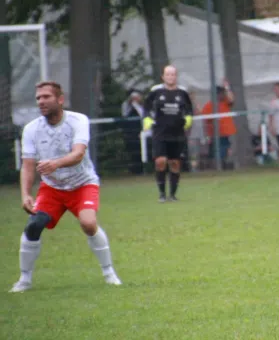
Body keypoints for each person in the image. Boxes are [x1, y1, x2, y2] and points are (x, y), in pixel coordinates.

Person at [10, 81, 122, 293]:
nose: (41, 102)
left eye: (46, 97)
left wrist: (55, 163)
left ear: (60, 100)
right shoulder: (31, 129)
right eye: (38, 98)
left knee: (88, 223)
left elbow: (78, 154)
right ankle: (24, 280)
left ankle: (109, 273)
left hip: (83, 184)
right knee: (33, 225)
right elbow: (27, 166)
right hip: (52, 189)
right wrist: (25, 194)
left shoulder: (78, 120)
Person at [143, 65, 193, 202]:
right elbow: (146, 107)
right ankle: (162, 194)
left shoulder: (182, 93)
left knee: (175, 163)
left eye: (173, 74)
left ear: (176, 76)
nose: (170, 77)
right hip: (160, 132)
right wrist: (147, 119)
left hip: (177, 133)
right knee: (161, 161)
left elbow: (189, 109)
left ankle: (172, 195)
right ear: (163, 76)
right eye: (168, 74)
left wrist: (188, 119)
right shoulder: (156, 91)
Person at [200, 80, 236, 169]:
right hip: (215, 135)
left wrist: (227, 87)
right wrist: (207, 136)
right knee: (215, 154)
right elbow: (205, 122)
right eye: (221, 93)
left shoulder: (225, 103)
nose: (222, 95)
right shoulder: (208, 106)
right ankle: (216, 168)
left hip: (226, 133)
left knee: (226, 152)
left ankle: (225, 166)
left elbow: (231, 99)